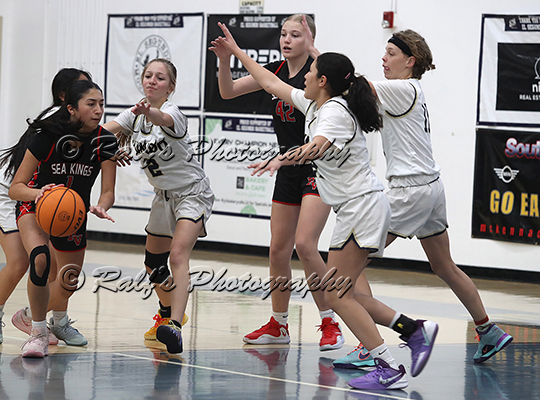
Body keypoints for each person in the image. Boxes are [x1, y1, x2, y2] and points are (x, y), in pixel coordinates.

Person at [212, 23, 408, 390]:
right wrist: (236, 53)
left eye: (312, 72)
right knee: (341, 291)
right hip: (356, 210)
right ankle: (403, 337)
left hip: (363, 209)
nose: (304, 76)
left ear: (322, 81)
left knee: (337, 291)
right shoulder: (315, 103)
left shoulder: (334, 112)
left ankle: (391, 358)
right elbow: (270, 83)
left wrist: (281, 159)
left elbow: (316, 147)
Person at [334, 29, 513, 372]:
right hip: (431, 188)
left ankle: (370, 344)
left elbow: (352, 85)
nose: (383, 58)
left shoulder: (402, 88)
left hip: (408, 193)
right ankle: (488, 329)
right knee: (444, 266)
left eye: (391, 53)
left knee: (345, 272)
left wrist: (320, 64)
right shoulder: (408, 90)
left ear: (410, 61)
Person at [210, 14, 343, 351]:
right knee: (278, 250)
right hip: (287, 165)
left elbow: (341, 87)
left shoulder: (319, 74)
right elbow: (227, 91)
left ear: (309, 39)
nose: (286, 40)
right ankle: (279, 324)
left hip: (317, 166)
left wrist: (314, 50)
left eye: (295, 35)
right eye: (283, 33)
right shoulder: (276, 70)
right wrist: (224, 60)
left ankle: (330, 321)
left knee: (306, 245)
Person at [103, 58, 214, 354]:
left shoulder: (172, 113)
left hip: (192, 193)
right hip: (162, 196)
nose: (152, 80)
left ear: (170, 87)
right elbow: (102, 133)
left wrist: (148, 111)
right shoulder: (134, 116)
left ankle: (175, 327)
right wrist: (96, 143)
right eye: (148, 75)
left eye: (160, 77)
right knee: (153, 264)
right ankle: (165, 315)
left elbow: (161, 119)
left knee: (177, 255)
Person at [0, 68, 92, 346]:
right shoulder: (55, 120)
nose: (89, 95)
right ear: (65, 97)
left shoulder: (82, 122)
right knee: (21, 261)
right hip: (12, 189)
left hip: (42, 194)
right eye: (82, 89)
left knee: (54, 264)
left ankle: (58, 322)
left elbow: (100, 138)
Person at [9, 79, 118, 357]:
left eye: (101, 104)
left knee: (68, 281)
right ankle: (37, 333)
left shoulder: (105, 141)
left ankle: (28, 315)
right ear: (71, 108)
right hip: (35, 205)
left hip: (73, 214)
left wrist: (102, 206)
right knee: (40, 259)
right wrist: (38, 193)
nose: (98, 110)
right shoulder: (47, 136)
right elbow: (16, 188)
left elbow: (108, 191)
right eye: (91, 104)